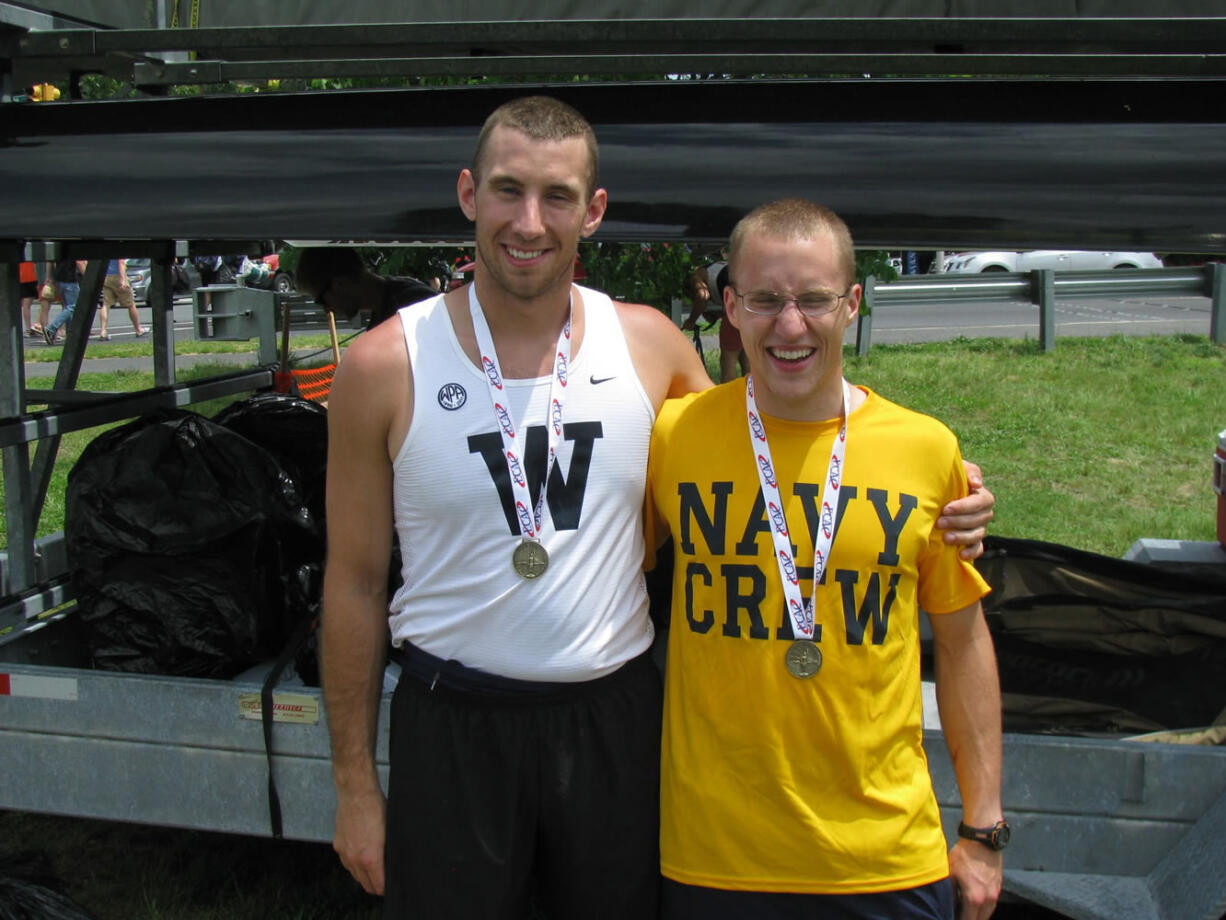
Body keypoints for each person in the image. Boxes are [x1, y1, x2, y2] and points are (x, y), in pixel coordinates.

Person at [321, 97, 996, 919]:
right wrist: (355, 787)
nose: (529, 222)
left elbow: (769, 450)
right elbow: (353, 585)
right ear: (469, 195)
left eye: (558, 197)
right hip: (452, 720)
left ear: (593, 212)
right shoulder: (382, 364)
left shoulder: (649, 347)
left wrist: (938, 485)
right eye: (507, 190)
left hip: (613, 721)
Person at [646, 198, 1004, 920]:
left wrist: (984, 828)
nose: (789, 325)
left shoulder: (925, 449)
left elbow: (963, 641)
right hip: (715, 859)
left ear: (851, 305)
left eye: (813, 300)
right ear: (730, 307)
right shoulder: (673, 436)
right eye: (764, 299)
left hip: (883, 858)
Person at [293, 248, 436, 328]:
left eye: (321, 300)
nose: (326, 310)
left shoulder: (411, 304)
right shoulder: (388, 306)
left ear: (339, 284)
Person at [681, 258, 745, 383]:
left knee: (728, 360)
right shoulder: (719, 268)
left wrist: (691, 320)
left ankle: (727, 399)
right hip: (750, 305)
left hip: (738, 306)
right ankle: (751, 400)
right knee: (747, 360)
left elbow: (702, 296)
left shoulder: (696, 276)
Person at [98, 258, 145, 339]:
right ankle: (138, 329)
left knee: (106, 304)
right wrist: (123, 279)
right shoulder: (119, 247)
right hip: (118, 276)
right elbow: (121, 262)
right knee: (131, 304)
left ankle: (103, 331)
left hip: (106, 276)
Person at [41, 257, 84, 345]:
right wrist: (88, 276)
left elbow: (50, 260)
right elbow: (79, 262)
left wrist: (48, 277)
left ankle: (70, 334)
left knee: (67, 307)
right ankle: (51, 328)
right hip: (70, 278)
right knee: (73, 306)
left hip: (59, 278)